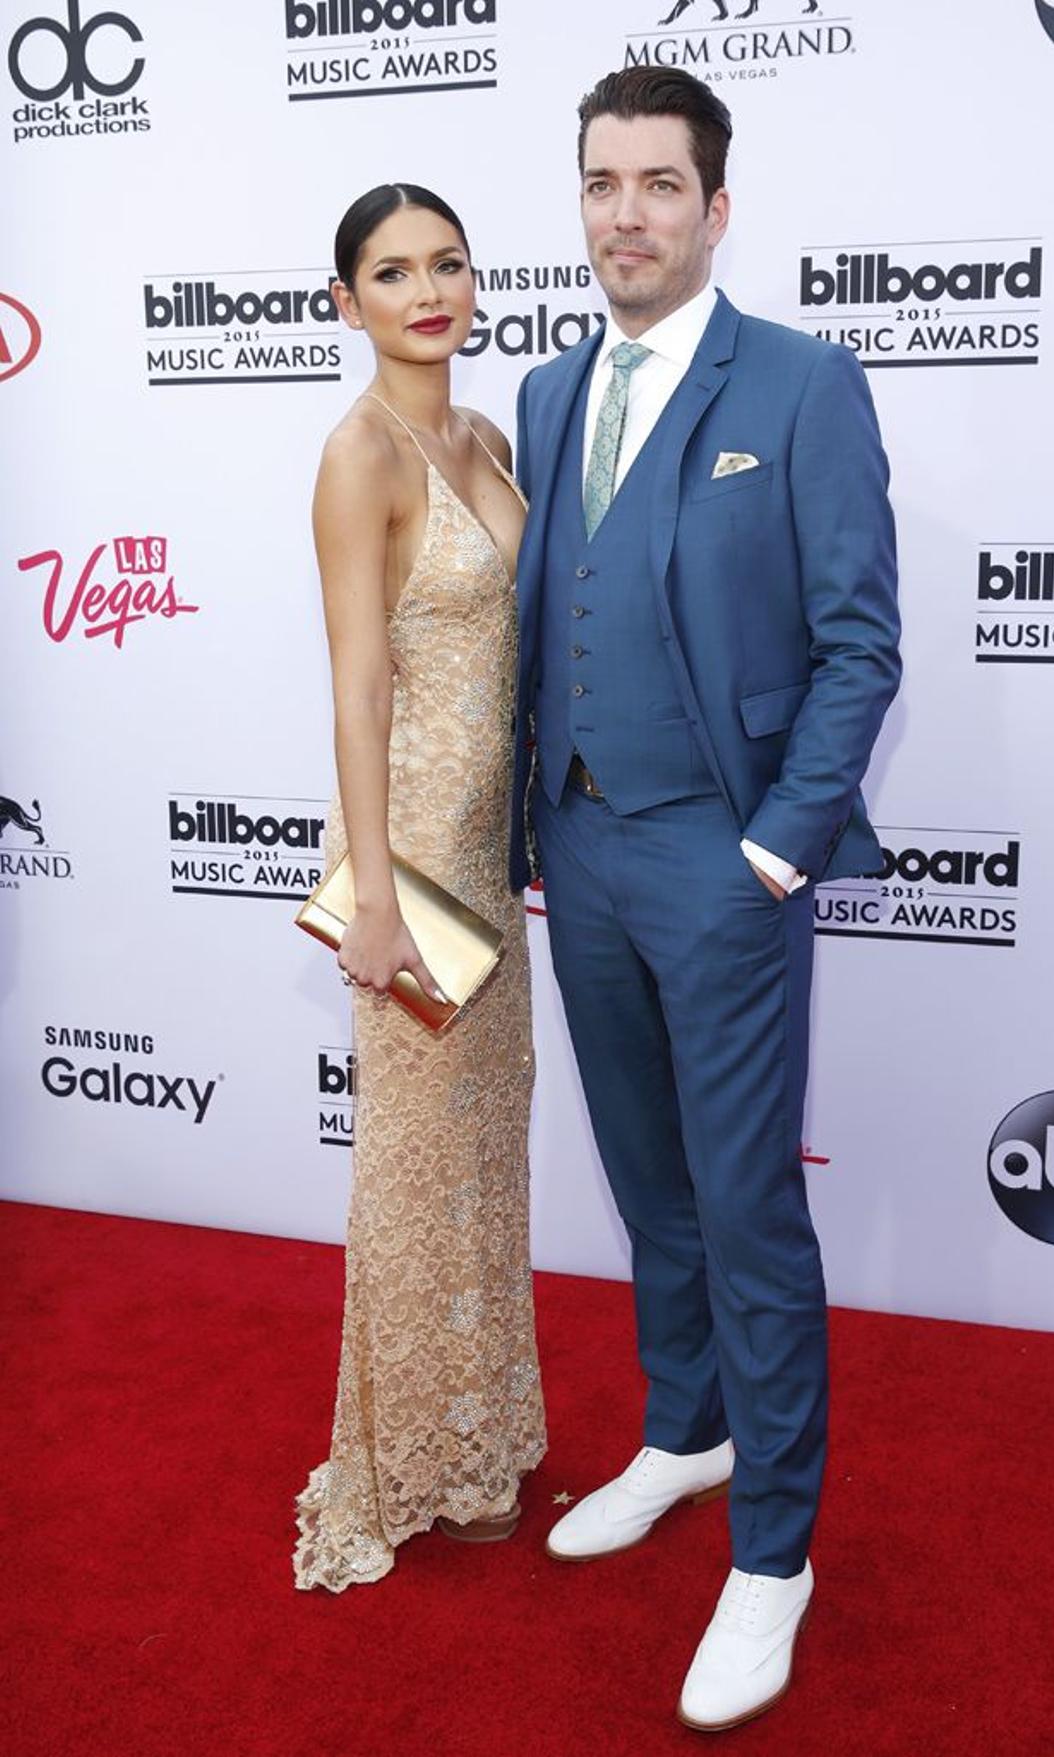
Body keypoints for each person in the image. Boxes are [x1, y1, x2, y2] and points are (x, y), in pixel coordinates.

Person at [509, 69, 900, 1728]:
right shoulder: (544, 390)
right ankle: (686, 1429)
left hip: (724, 860)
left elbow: (860, 645)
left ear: (715, 208)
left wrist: (775, 848)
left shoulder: (805, 385)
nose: (627, 215)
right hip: (580, 852)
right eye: (603, 184)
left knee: (749, 1209)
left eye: (660, 185)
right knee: (649, 1180)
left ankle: (775, 1554)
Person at [293, 184, 546, 1592]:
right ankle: (402, 1461)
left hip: (495, 857)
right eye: (392, 271)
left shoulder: (485, 434)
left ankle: (481, 1432)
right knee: (407, 1165)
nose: (427, 289)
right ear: (348, 301)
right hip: (418, 866)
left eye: (447, 262)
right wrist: (375, 890)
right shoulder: (360, 455)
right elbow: (357, 688)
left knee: (480, 1160)